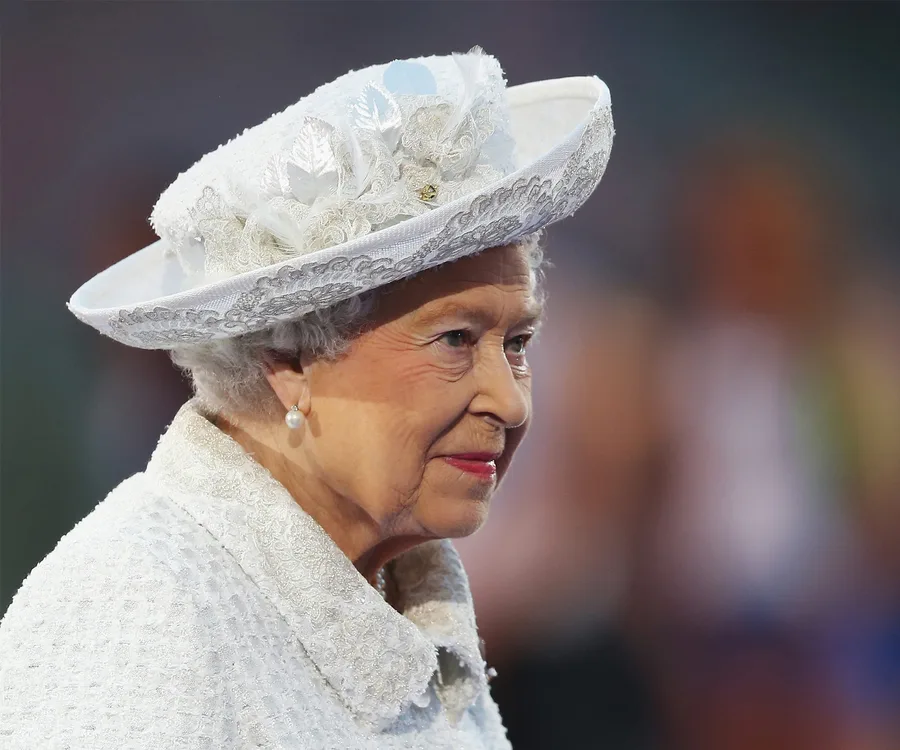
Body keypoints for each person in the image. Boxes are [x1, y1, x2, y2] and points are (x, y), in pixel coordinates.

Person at [0, 49, 613, 748]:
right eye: (454, 340)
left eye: (518, 345)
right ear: (289, 360)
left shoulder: (408, 610)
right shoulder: (137, 609)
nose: (509, 402)